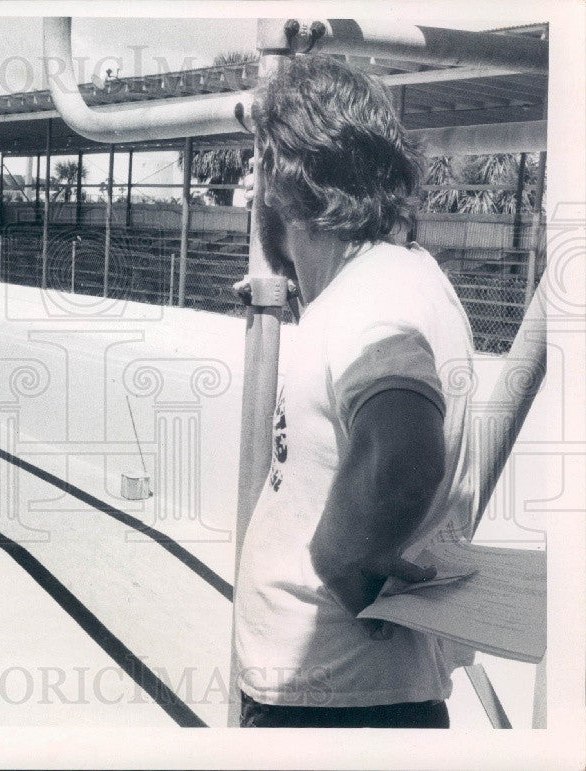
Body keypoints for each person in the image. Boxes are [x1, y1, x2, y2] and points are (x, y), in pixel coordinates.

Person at [232, 55, 476, 728]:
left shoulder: (372, 300)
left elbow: (403, 447)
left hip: (335, 708)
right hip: (355, 697)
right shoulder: (395, 278)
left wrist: (345, 561)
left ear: (285, 187)